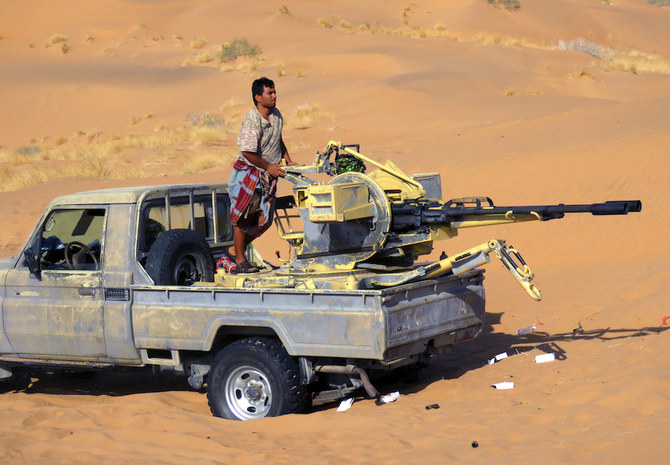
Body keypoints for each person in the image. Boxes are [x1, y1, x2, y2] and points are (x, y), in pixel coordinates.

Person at [223, 77, 295, 274]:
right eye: (269, 93)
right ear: (257, 97)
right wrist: (268, 166)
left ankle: (234, 250)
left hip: (267, 176)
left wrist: (288, 159)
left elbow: (278, 138)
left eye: (274, 92)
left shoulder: (276, 114)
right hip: (249, 174)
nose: (274, 96)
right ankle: (239, 260)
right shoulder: (252, 120)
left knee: (265, 220)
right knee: (243, 219)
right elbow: (247, 152)